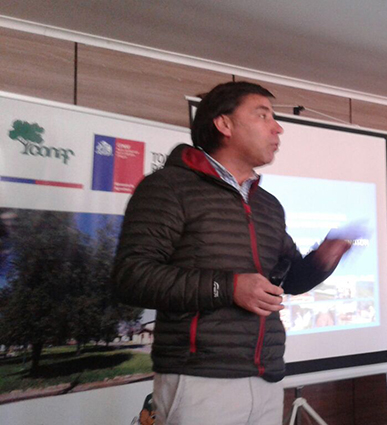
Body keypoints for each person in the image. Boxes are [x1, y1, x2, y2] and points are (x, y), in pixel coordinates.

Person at [112, 81, 351, 425]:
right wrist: (229, 287)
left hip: (266, 379)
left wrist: (322, 260)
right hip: (199, 381)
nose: (278, 128)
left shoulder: (268, 205)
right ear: (224, 124)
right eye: (263, 115)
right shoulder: (168, 187)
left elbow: (288, 280)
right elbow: (131, 277)